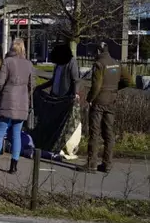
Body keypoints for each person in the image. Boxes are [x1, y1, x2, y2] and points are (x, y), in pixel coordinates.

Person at [82, 42, 131, 174]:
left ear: (98, 51)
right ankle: (107, 164)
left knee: (95, 132)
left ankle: (92, 163)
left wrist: (89, 99)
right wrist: (114, 89)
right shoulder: (117, 63)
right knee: (108, 133)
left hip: (99, 102)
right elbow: (128, 80)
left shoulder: (99, 64)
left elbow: (97, 86)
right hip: (111, 101)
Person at [0, 38, 35, 173]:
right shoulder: (29, 64)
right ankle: (14, 165)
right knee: (17, 134)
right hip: (22, 102)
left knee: (0, 132)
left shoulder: (7, 62)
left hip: (7, 99)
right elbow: (32, 84)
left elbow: (0, 81)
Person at [36, 43, 81, 160]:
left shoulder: (71, 62)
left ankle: (62, 146)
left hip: (64, 98)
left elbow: (75, 80)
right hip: (55, 97)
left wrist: (75, 94)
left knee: (63, 124)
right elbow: (53, 80)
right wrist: (41, 87)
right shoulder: (58, 65)